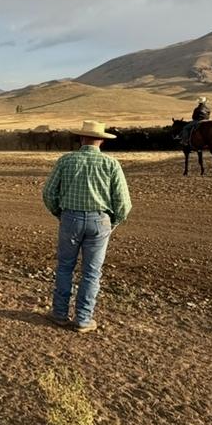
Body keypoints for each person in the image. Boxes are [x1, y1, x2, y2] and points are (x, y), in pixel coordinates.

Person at [42, 119, 132, 334]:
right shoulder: (111, 164)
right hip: (100, 221)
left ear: (81, 138)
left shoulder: (66, 161)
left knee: (65, 267)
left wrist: (60, 214)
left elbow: (48, 193)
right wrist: (114, 221)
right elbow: (123, 202)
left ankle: (60, 314)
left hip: (70, 219)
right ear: (101, 140)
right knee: (92, 272)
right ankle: (83, 319)